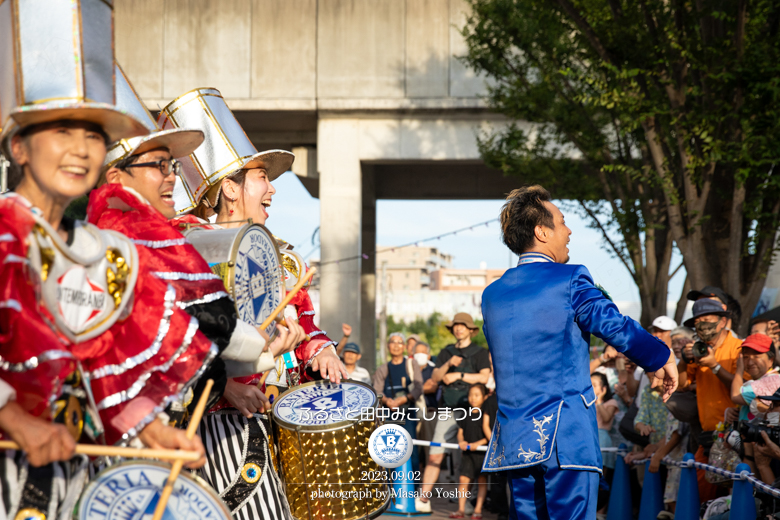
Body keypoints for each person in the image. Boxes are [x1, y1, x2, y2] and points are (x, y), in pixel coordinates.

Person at [0, 5, 211, 517]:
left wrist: (153, 430)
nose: (79, 150)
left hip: (76, 479)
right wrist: (16, 420)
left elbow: (102, 368)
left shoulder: (99, 254)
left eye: (93, 135)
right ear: (20, 148)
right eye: (62, 131)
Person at [480, 186, 676, 520]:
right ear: (542, 232)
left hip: (514, 438)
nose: (569, 231)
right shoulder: (569, 277)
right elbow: (610, 322)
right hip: (564, 435)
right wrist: (662, 356)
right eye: (562, 222)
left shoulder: (492, 294)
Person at [416, 313, 491, 513]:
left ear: (471, 330)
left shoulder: (480, 352)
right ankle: (423, 500)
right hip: (447, 410)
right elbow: (435, 376)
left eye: (463, 326)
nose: (459, 329)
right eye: (456, 326)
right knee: (435, 451)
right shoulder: (446, 352)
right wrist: (449, 365)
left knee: (466, 460)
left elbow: (485, 377)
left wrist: (460, 375)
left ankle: (466, 503)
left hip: (472, 414)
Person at [678, 298, 743, 502]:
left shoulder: (739, 348)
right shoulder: (699, 350)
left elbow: (744, 389)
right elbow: (681, 385)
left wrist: (715, 366)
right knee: (700, 496)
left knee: (735, 495)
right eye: (697, 321)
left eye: (707, 319)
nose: (702, 325)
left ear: (723, 321)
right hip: (707, 436)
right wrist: (683, 358)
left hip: (736, 436)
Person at [373, 332, 424, 473]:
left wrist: (404, 399)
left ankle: (413, 488)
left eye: (399, 342)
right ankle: (389, 489)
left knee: (410, 448)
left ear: (404, 347)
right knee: (388, 451)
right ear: (388, 346)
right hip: (388, 414)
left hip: (408, 414)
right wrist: (387, 401)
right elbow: (377, 390)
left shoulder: (411, 364)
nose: (396, 346)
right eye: (393, 342)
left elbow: (419, 387)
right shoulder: (383, 368)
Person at [453, 384, 490, 520]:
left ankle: (478, 510)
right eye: (470, 395)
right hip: (467, 454)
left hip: (481, 453)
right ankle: (461, 509)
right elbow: (460, 432)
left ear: (485, 397)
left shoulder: (487, 414)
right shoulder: (465, 413)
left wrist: (477, 444)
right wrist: (462, 442)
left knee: (481, 481)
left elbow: (489, 436)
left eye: (476, 395)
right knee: (463, 479)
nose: (473, 398)